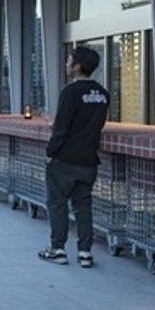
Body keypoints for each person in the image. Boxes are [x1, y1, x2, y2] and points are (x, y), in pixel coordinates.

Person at [38, 46, 109, 268]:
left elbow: (62, 128)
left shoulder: (70, 92)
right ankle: (85, 252)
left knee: (57, 204)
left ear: (77, 65)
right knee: (83, 205)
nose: (66, 65)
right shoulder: (102, 94)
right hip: (88, 160)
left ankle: (57, 249)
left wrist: (51, 153)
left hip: (64, 160)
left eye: (69, 61)